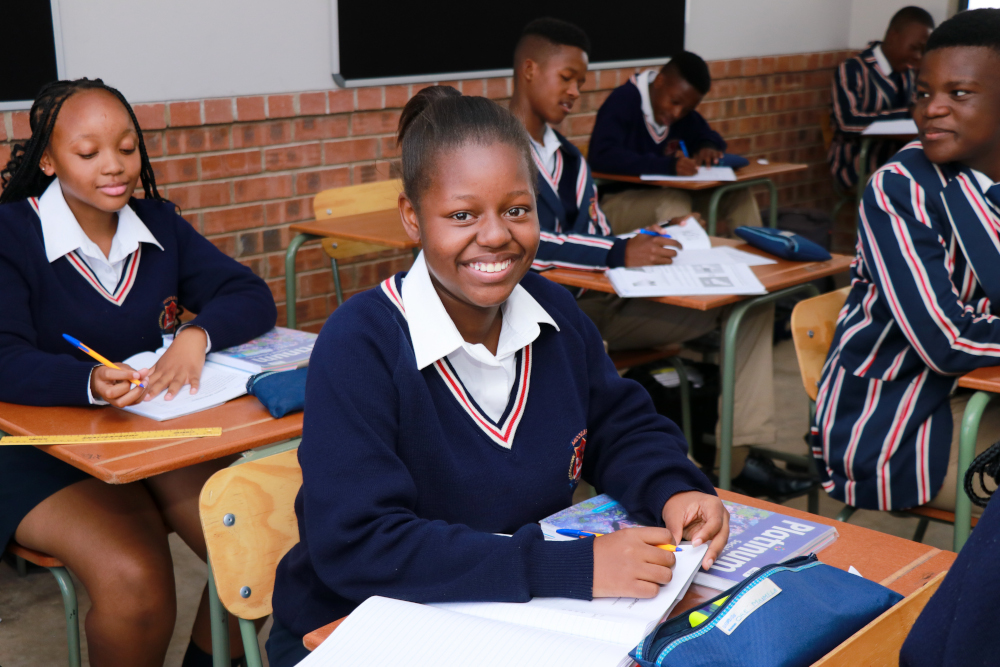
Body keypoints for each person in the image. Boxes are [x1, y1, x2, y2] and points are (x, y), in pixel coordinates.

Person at [266, 86, 729, 667]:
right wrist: (569, 567)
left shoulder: (555, 314)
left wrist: (675, 487)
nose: (494, 235)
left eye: (516, 210)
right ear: (412, 217)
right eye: (462, 215)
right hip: (357, 626)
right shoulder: (361, 343)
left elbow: (620, 427)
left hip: (508, 615)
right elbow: (359, 544)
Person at [0, 78, 277, 667]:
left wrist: (196, 336)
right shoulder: (10, 235)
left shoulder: (158, 225)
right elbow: (3, 358)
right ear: (48, 160)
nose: (114, 166)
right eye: (88, 152)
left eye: (127, 148)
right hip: (36, 449)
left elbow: (249, 295)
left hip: (151, 433)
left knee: (255, 552)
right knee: (137, 583)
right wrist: (86, 382)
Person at [507, 18, 809, 497]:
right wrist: (618, 250)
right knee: (594, 352)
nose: (576, 93)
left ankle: (734, 461)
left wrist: (650, 239)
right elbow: (523, 242)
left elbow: (597, 231)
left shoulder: (569, 158)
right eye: (567, 78)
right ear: (529, 70)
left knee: (748, 308)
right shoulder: (496, 150)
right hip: (543, 318)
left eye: (581, 82)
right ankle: (669, 485)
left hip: (604, 302)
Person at [813, 8, 1000, 514]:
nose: (932, 108)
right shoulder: (901, 189)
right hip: (898, 423)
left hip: (975, 394)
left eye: (959, 93)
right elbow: (946, 340)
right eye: (923, 93)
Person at [588, 51, 762, 235]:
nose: (677, 113)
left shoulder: (680, 112)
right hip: (615, 204)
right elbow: (601, 155)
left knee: (737, 194)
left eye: (687, 109)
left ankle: (761, 252)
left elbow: (706, 134)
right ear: (659, 81)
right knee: (674, 202)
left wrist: (707, 147)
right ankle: (686, 254)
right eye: (674, 102)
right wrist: (668, 166)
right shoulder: (623, 100)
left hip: (667, 198)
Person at [828, 6, 935, 190]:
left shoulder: (910, 73)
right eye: (914, 48)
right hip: (858, 165)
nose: (918, 56)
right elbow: (846, 123)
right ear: (893, 36)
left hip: (900, 162)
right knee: (914, 188)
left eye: (923, 51)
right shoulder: (853, 70)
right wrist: (906, 114)